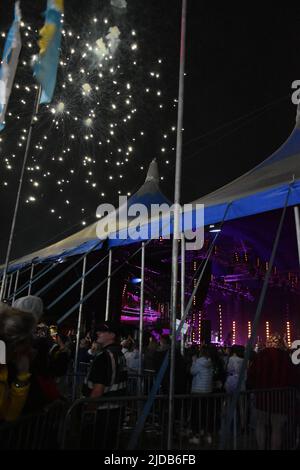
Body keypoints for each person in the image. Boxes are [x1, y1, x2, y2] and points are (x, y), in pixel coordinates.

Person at [247, 333, 298, 450]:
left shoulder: (261, 356)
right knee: (277, 428)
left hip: (262, 396)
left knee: (260, 425)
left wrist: (254, 387)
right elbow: (293, 377)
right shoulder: (285, 357)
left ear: (268, 342)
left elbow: (251, 374)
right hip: (280, 397)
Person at [83, 321, 127, 449]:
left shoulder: (104, 356)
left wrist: (89, 410)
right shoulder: (119, 354)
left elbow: (98, 390)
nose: (98, 333)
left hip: (101, 412)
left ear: (112, 335)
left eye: (102, 331)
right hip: (116, 410)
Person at [0, 302, 37, 422]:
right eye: (26, 343)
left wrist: (22, 377)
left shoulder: (3, 366)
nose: (29, 349)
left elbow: (9, 414)